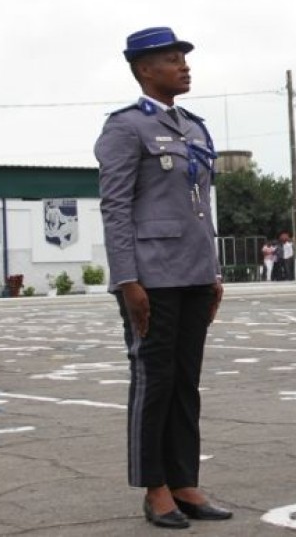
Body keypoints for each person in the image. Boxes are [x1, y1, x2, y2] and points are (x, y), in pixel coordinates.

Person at [94, 27, 231, 528]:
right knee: (153, 381)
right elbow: (116, 208)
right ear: (144, 69)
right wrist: (127, 280)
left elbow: (201, 208)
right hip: (150, 276)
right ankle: (155, 489)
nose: (184, 66)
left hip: (193, 272)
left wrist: (212, 271)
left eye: (184, 59)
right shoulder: (124, 128)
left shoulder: (195, 128)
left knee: (186, 382)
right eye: (173, 60)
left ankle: (185, 481)